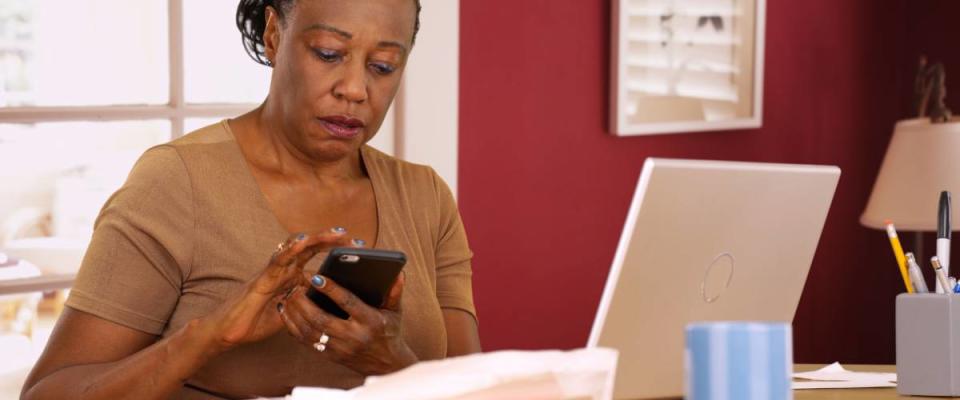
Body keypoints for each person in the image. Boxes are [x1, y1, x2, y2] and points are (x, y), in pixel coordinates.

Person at [20, 0, 480, 398]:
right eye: (329, 53)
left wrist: (391, 361)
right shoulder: (177, 182)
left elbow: (483, 392)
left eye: (382, 66)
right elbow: (48, 394)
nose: (355, 89)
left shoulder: (425, 196)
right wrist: (211, 336)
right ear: (274, 34)